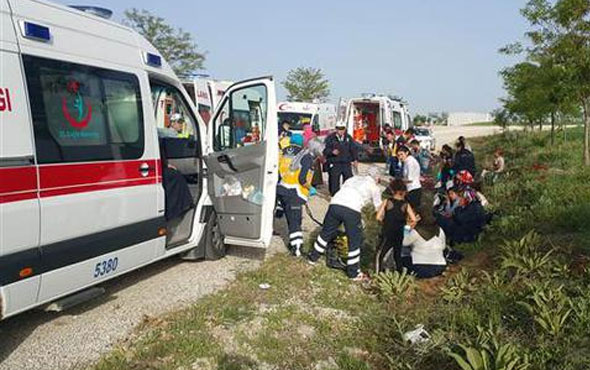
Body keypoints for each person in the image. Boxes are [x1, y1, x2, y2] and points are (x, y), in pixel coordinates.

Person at [308, 167, 383, 281]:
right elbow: (379, 208)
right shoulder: (374, 187)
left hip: (335, 204)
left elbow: (342, 190)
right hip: (351, 210)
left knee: (326, 233)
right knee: (354, 241)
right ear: (377, 178)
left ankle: (312, 258)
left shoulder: (353, 179)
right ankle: (353, 273)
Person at [277, 135, 324, 256]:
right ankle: (297, 249)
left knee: (290, 219)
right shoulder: (308, 158)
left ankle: (293, 243)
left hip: (283, 189)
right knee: (295, 221)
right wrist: (311, 188)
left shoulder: (300, 154)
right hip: (294, 193)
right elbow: (302, 179)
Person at [376, 179, 417, 273]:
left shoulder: (387, 201)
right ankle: (399, 274)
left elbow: (378, 217)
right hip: (399, 232)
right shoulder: (406, 205)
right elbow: (414, 220)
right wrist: (407, 228)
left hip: (388, 232)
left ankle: (378, 274)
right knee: (397, 254)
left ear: (392, 190)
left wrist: (385, 222)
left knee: (380, 254)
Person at [323, 122, 359, 196]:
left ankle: (347, 196)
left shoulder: (348, 138)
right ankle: (334, 196)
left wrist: (355, 159)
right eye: (339, 129)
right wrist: (332, 152)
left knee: (349, 180)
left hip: (346, 163)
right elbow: (325, 150)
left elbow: (353, 148)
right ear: (336, 129)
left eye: (342, 129)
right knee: (334, 181)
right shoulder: (330, 138)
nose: (341, 131)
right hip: (335, 163)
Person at [397, 145, 422, 210]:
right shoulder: (407, 161)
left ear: (407, 153)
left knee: (412, 211)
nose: (400, 157)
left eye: (402, 154)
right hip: (411, 189)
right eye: (398, 155)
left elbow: (410, 179)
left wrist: (398, 182)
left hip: (414, 190)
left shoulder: (410, 162)